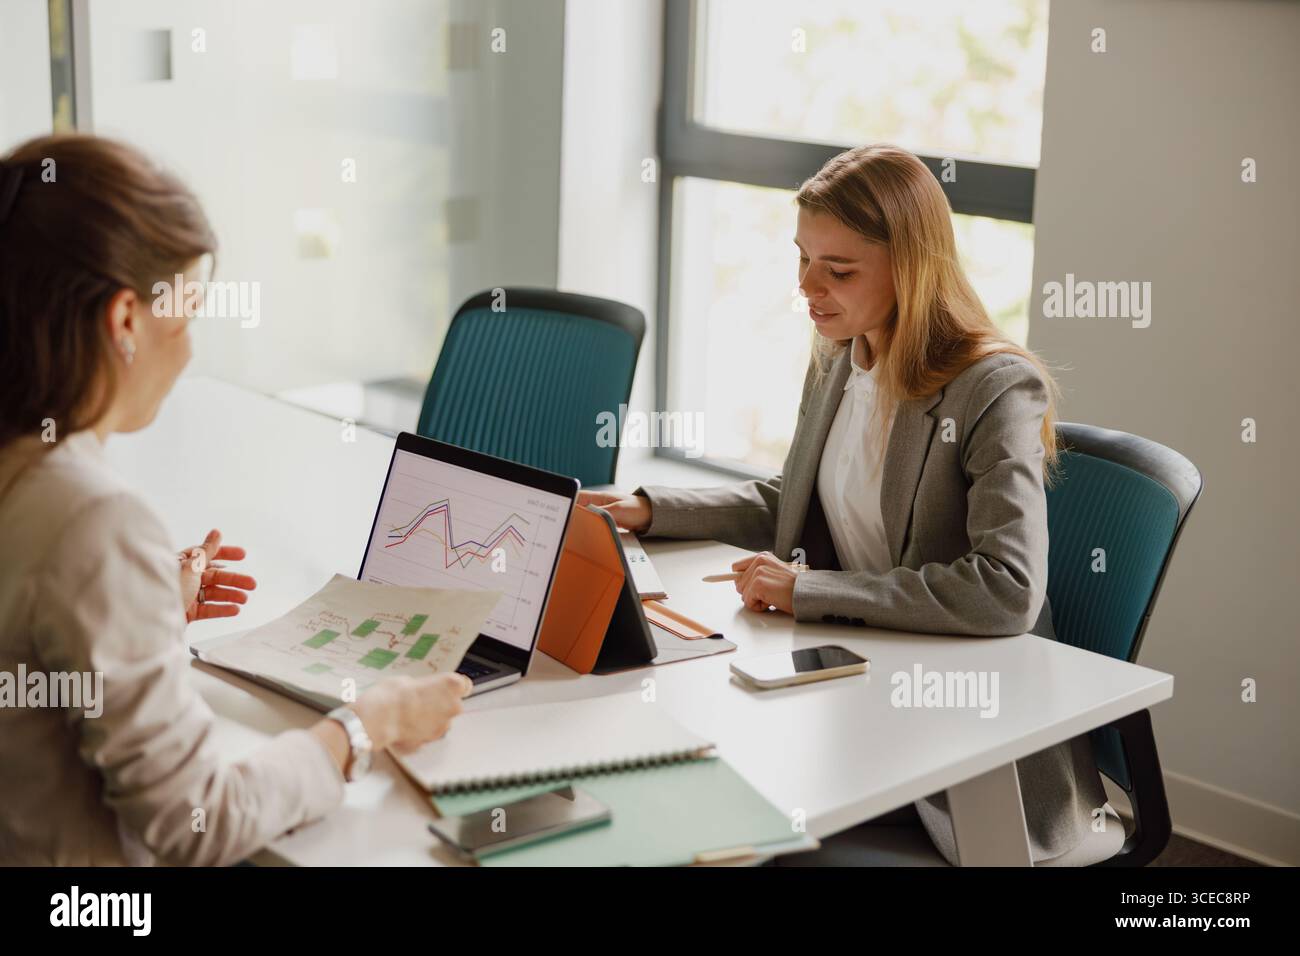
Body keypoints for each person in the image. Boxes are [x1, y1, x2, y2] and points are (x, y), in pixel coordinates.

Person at [581, 144, 1123, 866]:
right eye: (802, 257)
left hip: (964, 741)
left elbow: (1007, 591)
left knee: (737, 827)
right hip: (861, 695)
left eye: (838, 270)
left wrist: (811, 590)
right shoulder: (841, 350)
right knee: (678, 784)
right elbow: (794, 501)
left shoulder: (991, 389)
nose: (808, 286)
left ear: (911, 267)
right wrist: (651, 510)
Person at [0, 134, 472, 865]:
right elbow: (199, 820)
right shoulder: (92, 520)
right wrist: (363, 725)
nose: (187, 355)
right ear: (125, 322)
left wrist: (143, 616)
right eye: (183, 320)